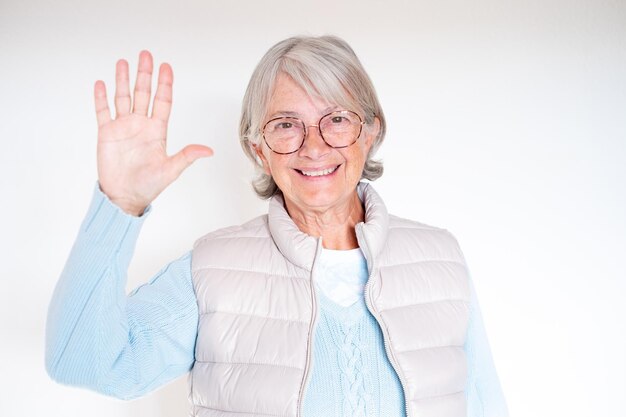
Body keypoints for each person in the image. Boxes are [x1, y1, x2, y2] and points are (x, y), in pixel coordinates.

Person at [46, 36, 508, 417]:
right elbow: (82, 362)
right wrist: (118, 206)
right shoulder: (213, 270)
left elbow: (487, 407)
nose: (314, 146)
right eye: (287, 125)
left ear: (370, 131)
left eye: (338, 120)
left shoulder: (440, 259)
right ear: (259, 148)